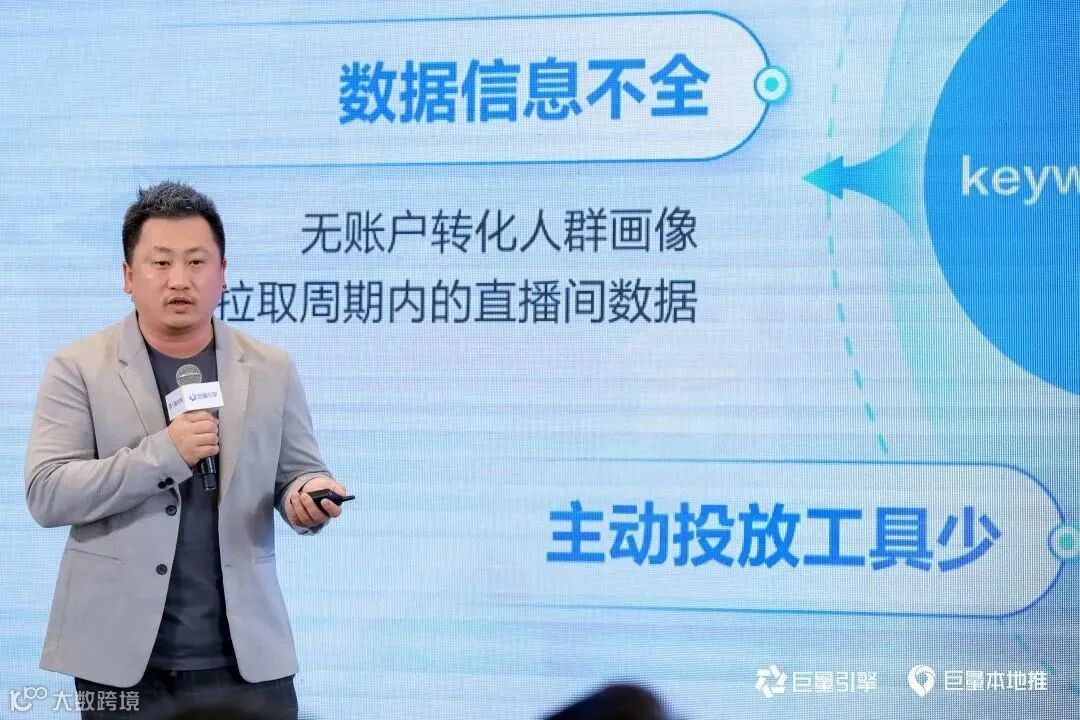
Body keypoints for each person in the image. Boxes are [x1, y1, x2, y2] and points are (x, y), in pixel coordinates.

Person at [24, 181, 348, 720]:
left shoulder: (270, 368)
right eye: (160, 263)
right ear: (128, 276)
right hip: (120, 660)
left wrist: (307, 496)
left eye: (197, 262)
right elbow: (48, 493)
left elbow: (299, 472)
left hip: (248, 657)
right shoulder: (78, 367)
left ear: (223, 274)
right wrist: (165, 455)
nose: (179, 279)